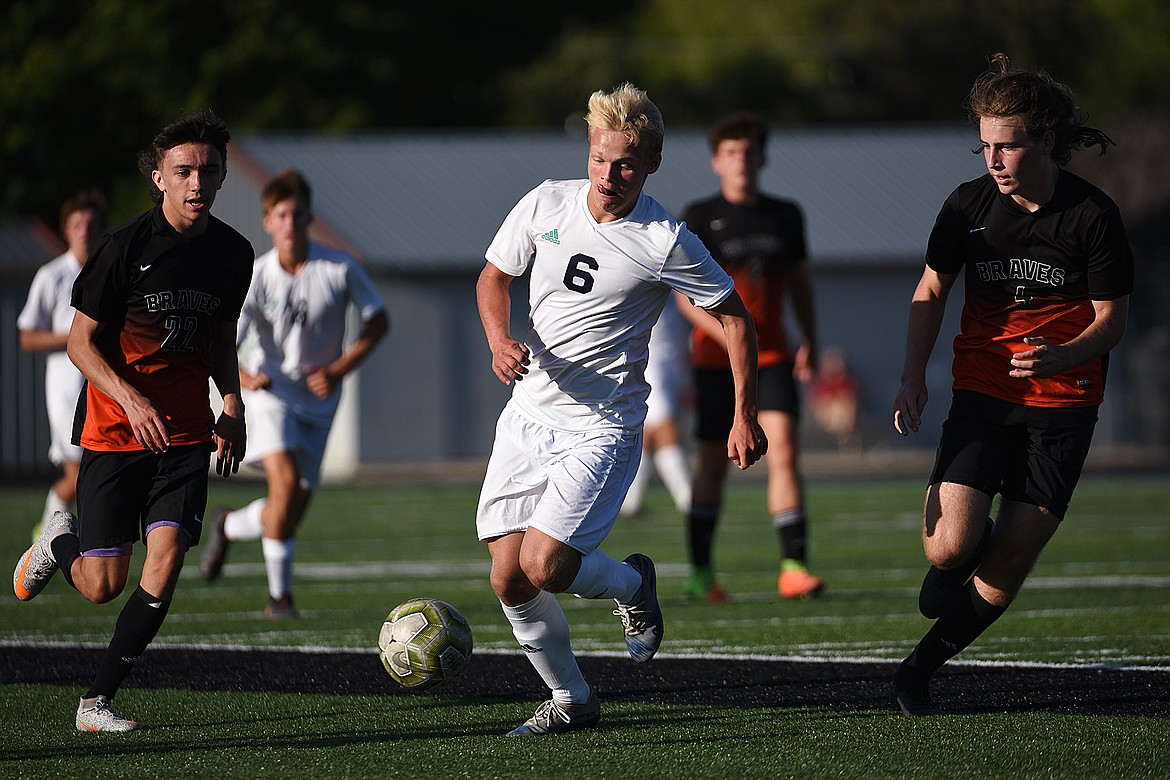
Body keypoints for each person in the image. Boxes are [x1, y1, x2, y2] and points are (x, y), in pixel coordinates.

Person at [476, 82, 766, 736]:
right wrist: (499, 341)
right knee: (508, 578)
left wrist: (742, 412)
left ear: (653, 163)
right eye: (601, 158)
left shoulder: (665, 239)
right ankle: (573, 700)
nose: (610, 175)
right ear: (589, 149)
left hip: (602, 428)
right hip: (528, 416)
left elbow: (737, 320)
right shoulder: (545, 202)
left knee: (543, 565)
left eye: (627, 163)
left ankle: (635, 585)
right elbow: (494, 276)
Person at [891, 54, 1133, 716]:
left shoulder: (1093, 215)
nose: (994, 160)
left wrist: (1066, 355)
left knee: (1010, 563)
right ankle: (947, 563)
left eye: (1009, 145)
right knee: (951, 544)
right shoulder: (967, 205)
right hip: (983, 392)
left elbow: (1113, 323)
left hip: (1065, 405)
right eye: (987, 145)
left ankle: (918, 670)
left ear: (1047, 138)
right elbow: (931, 287)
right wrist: (912, 377)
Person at [12, 109, 254, 732]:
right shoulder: (123, 249)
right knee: (100, 585)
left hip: (186, 435)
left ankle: (96, 702)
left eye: (208, 170)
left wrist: (231, 401)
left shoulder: (234, 254)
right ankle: (58, 541)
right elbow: (80, 345)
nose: (197, 182)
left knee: (167, 559)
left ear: (223, 176)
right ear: (158, 177)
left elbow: (219, 338)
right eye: (184, 171)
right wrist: (129, 397)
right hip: (115, 434)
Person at [199, 169, 389, 620]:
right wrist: (243, 378)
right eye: (281, 215)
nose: (290, 222)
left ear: (309, 217)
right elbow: (222, 341)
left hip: (320, 403)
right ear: (268, 222)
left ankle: (227, 525)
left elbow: (377, 321)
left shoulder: (339, 268)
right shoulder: (257, 276)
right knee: (283, 487)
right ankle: (280, 600)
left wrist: (339, 368)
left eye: (297, 214)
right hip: (272, 396)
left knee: (290, 509)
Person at [678, 111, 822, 602]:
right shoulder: (698, 217)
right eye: (731, 152)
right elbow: (683, 297)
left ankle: (793, 566)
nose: (741, 160)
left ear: (762, 158)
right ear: (717, 161)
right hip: (715, 362)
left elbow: (800, 283)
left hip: (775, 355)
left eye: (748, 151)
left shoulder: (786, 215)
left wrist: (811, 339)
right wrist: (725, 336)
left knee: (783, 453)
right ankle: (701, 576)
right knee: (712, 465)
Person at [18, 190, 107, 541]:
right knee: (79, 471)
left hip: (104, 383)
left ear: (101, 230)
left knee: (96, 468)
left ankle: (51, 537)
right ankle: (50, 537)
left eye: (91, 223)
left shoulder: (109, 273)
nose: (84, 230)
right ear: (67, 231)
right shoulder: (52, 275)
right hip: (66, 387)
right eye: (77, 224)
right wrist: (75, 338)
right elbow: (27, 336)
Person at [619, 300, 694, 517]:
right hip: (652, 361)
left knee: (652, 433)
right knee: (663, 428)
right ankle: (687, 498)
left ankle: (630, 500)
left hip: (672, 361)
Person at [807, 345, 862, 452]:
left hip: (846, 419)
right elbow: (815, 400)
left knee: (845, 406)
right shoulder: (821, 382)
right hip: (826, 416)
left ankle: (848, 442)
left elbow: (853, 398)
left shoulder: (849, 381)